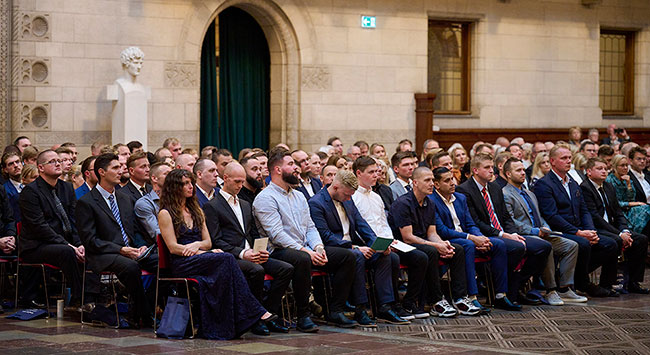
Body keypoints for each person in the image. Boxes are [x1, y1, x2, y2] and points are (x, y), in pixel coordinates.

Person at [158, 168, 275, 338]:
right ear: (174, 187)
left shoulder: (197, 210)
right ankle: (252, 312)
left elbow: (208, 242)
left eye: (190, 182)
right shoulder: (165, 213)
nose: (190, 187)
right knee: (226, 258)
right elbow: (172, 247)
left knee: (224, 267)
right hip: (182, 262)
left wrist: (199, 247)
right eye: (185, 184)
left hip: (200, 258)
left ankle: (227, 325)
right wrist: (199, 252)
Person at [253, 147, 356, 332]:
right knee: (301, 259)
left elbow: (310, 226)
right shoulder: (265, 198)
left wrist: (318, 247)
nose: (297, 168)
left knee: (347, 256)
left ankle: (335, 310)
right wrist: (306, 251)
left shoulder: (299, 195)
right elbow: (276, 235)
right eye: (291, 164)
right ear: (277, 169)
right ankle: (303, 315)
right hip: (277, 251)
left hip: (304, 248)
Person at [309, 169, 409, 325]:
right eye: (347, 195)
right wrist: (355, 247)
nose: (349, 198)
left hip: (353, 247)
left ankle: (384, 306)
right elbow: (325, 236)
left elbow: (362, 225)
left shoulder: (348, 199)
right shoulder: (316, 203)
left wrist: (377, 244)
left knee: (388, 256)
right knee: (356, 256)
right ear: (335, 187)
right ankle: (360, 308)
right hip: (332, 248)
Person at [203, 163, 292, 335]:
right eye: (236, 181)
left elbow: (253, 233)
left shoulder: (244, 204)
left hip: (251, 253)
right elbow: (216, 240)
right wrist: (243, 253)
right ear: (226, 178)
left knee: (286, 269)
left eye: (242, 182)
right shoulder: (212, 206)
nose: (239, 186)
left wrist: (260, 249)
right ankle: (256, 319)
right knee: (256, 270)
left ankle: (268, 313)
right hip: (231, 256)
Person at [456, 153, 551, 305]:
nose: (491, 171)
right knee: (517, 247)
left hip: (505, 233)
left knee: (543, 247)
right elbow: (476, 222)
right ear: (475, 170)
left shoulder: (494, 188)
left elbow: (506, 217)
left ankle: (517, 283)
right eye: (486, 168)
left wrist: (512, 233)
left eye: (491, 167)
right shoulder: (464, 190)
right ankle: (504, 288)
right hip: (486, 234)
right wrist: (503, 235)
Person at [76, 153, 159, 327]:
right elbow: (91, 241)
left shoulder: (124, 198)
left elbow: (134, 230)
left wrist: (141, 246)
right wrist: (120, 250)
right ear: (101, 172)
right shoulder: (87, 202)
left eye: (120, 167)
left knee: (163, 263)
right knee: (130, 266)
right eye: (115, 168)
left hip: (129, 250)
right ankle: (144, 315)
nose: (120, 171)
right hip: (103, 254)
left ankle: (145, 309)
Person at [388, 167, 481, 318]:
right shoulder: (403, 203)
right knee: (430, 252)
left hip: (422, 243)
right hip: (402, 246)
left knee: (456, 249)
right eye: (427, 180)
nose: (432, 183)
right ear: (415, 183)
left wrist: (443, 244)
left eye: (432, 180)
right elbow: (408, 237)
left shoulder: (429, 203)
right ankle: (437, 300)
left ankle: (460, 298)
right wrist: (436, 246)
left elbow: (432, 233)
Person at [532, 146, 619, 297]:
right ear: (552, 161)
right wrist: (579, 232)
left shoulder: (572, 182)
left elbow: (584, 210)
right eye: (563, 158)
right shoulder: (544, 184)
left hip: (579, 228)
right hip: (560, 230)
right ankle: (581, 282)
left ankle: (591, 281)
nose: (568, 161)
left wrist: (590, 231)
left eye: (569, 158)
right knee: (583, 243)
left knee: (611, 244)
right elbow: (552, 216)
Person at [430, 167, 516, 311]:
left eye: (452, 179)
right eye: (447, 180)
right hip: (449, 239)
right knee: (468, 245)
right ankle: (472, 296)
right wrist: (472, 238)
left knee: (498, 245)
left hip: (468, 237)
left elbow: (470, 223)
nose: (452, 183)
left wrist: (480, 237)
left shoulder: (460, 198)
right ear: (437, 185)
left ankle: (500, 294)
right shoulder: (431, 200)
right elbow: (442, 230)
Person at [502, 159, 585, 305]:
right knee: (547, 247)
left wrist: (546, 228)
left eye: (523, 170)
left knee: (571, 245)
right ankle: (550, 290)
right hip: (524, 235)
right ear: (508, 174)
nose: (523, 173)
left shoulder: (529, 193)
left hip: (540, 232)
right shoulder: (505, 193)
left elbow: (539, 216)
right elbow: (511, 221)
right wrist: (535, 231)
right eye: (518, 170)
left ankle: (565, 288)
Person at [19, 150, 83, 307]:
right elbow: (39, 226)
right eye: (52, 161)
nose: (58, 164)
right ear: (40, 168)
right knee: (67, 252)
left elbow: (74, 221)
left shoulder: (67, 188)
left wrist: (79, 243)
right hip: (36, 245)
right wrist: (67, 244)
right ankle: (79, 298)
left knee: (88, 247)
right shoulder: (31, 191)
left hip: (63, 242)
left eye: (59, 161)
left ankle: (94, 294)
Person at [581, 157, 649, 294]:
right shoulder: (585, 188)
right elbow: (595, 217)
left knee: (641, 239)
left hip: (613, 227)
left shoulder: (608, 186)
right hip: (596, 227)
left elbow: (618, 212)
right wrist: (619, 234)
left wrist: (624, 229)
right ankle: (607, 284)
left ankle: (633, 282)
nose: (604, 172)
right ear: (589, 171)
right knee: (616, 241)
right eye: (599, 169)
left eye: (605, 169)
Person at [606, 154, 650, 235]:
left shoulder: (627, 178)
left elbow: (631, 198)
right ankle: (635, 234)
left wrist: (629, 184)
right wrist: (631, 204)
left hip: (628, 209)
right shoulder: (609, 180)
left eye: (626, 165)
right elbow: (613, 203)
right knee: (646, 209)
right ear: (615, 166)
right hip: (618, 211)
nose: (625, 168)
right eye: (622, 165)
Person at [134, 162, 172, 243]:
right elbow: (157, 234)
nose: (171, 178)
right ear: (154, 178)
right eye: (167, 174)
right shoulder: (144, 204)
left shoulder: (177, 199)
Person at [2, 152, 23, 222]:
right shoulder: (4, 190)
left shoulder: (31, 182)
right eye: (11, 164)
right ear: (5, 169)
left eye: (17, 162)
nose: (16, 165)